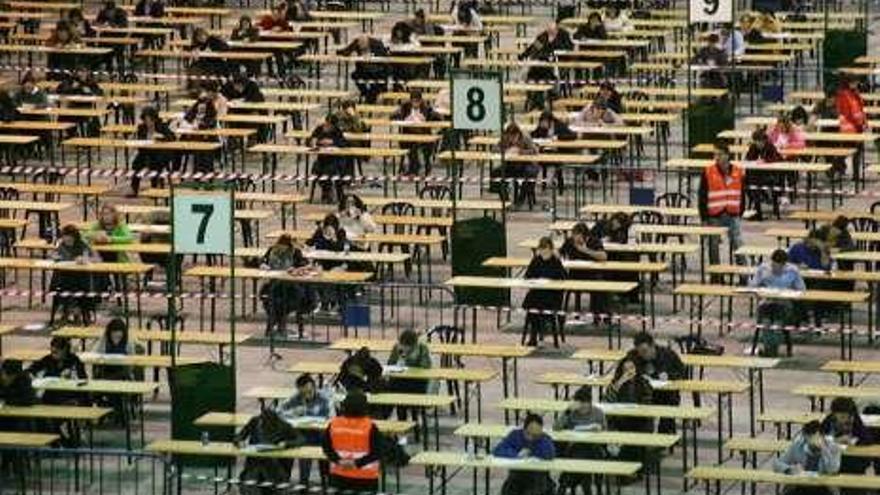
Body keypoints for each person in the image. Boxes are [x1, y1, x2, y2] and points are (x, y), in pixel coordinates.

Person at [748, 249, 806, 357]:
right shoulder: (763, 269)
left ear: (785, 264)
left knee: (777, 324)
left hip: (784, 304)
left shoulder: (793, 271)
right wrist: (761, 288)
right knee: (766, 322)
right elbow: (752, 286)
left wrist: (791, 293)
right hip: (767, 302)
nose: (777, 268)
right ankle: (769, 349)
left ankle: (772, 350)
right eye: (774, 265)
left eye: (780, 266)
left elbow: (801, 289)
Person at [322, 391, 383, 493]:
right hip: (365, 476)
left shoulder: (334, 424)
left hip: (339, 474)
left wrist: (338, 460)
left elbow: (326, 447)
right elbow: (377, 451)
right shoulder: (370, 426)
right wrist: (356, 463)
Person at [626, 332, 685, 433]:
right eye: (639, 352)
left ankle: (666, 434)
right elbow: (626, 374)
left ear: (653, 345)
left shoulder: (668, 355)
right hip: (643, 395)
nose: (642, 355)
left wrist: (669, 376)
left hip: (666, 395)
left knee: (670, 404)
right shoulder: (632, 356)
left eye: (645, 351)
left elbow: (682, 372)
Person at [235, 408, 304, 495]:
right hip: (255, 462)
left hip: (273, 465)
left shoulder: (283, 426)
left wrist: (286, 443)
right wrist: (239, 441)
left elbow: (301, 439)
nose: (262, 425)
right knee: (249, 482)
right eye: (261, 423)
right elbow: (239, 435)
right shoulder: (255, 421)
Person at [279, 374, 332, 486]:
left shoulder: (324, 398)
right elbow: (278, 412)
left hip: (320, 436)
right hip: (302, 437)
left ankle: (326, 481)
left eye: (310, 391)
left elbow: (332, 417)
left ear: (314, 387)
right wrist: (292, 413)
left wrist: (323, 421)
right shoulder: (294, 398)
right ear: (299, 390)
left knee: (325, 451)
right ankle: (303, 483)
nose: (307, 395)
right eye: (304, 393)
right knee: (299, 452)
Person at [699, 143, 744, 267]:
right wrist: (704, 218)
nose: (717, 157)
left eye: (719, 154)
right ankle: (716, 273)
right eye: (715, 155)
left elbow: (742, 193)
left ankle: (743, 273)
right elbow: (702, 196)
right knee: (713, 245)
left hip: (733, 214)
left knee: (738, 243)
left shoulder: (738, 171)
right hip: (714, 215)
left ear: (727, 155)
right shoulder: (708, 171)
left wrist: (741, 211)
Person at [554, 386, 606, 495]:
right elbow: (556, 427)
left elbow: (606, 433)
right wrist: (567, 412)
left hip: (594, 448)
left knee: (584, 454)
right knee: (580, 453)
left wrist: (599, 431)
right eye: (579, 405)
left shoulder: (598, 413)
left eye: (585, 404)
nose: (582, 408)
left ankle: (566, 483)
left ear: (590, 403)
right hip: (575, 447)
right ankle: (584, 485)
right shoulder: (572, 413)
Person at [260, 233, 314, 337]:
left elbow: (306, 265)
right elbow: (263, 260)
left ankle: (278, 325)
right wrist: (263, 265)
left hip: (291, 286)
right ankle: (278, 325)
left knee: (285, 301)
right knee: (272, 299)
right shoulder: (272, 250)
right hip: (274, 285)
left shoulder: (295, 252)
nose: (281, 250)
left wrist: (296, 269)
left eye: (284, 247)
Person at [50, 224, 102, 325]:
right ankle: (68, 310)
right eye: (64, 237)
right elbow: (54, 255)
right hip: (65, 276)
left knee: (78, 285)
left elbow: (97, 259)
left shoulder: (83, 244)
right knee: (59, 283)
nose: (66, 240)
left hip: (82, 277)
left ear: (75, 237)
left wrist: (86, 260)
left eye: (69, 238)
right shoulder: (61, 245)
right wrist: (55, 257)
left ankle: (77, 310)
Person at [604, 358, 653, 462]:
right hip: (620, 420)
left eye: (632, 368)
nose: (630, 372)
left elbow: (648, 402)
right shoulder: (616, 383)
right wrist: (619, 383)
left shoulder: (643, 383)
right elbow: (607, 401)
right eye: (626, 370)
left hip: (639, 421)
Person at [493, 414, 556, 495]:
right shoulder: (515, 435)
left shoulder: (544, 439)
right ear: (524, 429)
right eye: (528, 434)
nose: (531, 438)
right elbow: (498, 450)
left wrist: (532, 450)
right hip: (517, 475)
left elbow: (550, 454)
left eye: (535, 435)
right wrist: (516, 454)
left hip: (538, 477)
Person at [559, 222, 608, 324]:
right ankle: (561, 315)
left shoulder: (594, 241)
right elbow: (560, 253)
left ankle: (599, 314)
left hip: (591, 274)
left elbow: (603, 256)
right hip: (574, 274)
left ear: (585, 236)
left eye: (578, 235)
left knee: (600, 286)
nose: (575, 238)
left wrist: (586, 250)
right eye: (574, 235)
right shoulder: (570, 241)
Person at [774, 421, 840, 495]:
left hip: (824, 486)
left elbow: (833, 470)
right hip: (800, 485)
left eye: (816, 436)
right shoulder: (798, 446)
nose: (813, 440)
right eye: (809, 436)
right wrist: (790, 469)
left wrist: (824, 450)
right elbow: (777, 464)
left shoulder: (832, 447)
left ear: (822, 435)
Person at [522, 237, 567, 347]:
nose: (543, 251)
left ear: (551, 249)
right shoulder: (536, 260)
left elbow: (564, 278)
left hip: (552, 295)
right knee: (532, 304)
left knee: (536, 303)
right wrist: (535, 281)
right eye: (541, 249)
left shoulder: (556, 261)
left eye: (546, 249)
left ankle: (540, 329)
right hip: (538, 292)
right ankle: (533, 336)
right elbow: (527, 276)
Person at [519, 23, 573, 109]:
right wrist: (523, 55)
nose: (550, 32)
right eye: (549, 30)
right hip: (541, 65)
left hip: (558, 63)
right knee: (533, 75)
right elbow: (533, 47)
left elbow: (569, 48)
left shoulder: (563, 36)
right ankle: (535, 99)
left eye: (553, 31)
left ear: (556, 30)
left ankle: (549, 97)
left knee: (548, 77)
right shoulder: (542, 37)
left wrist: (555, 49)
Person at [822, 397, 872, 488]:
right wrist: (835, 440)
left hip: (852, 461)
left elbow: (867, 439)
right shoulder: (828, 422)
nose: (845, 420)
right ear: (834, 415)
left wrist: (854, 441)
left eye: (848, 417)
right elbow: (820, 439)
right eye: (842, 417)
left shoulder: (855, 420)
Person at [391, 91, 441, 175]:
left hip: (423, 134)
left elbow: (438, 117)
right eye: (413, 101)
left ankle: (418, 167)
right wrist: (402, 117)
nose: (415, 104)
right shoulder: (405, 107)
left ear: (421, 101)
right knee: (409, 144)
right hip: (408, 133)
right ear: (410, 100)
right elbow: (392, 116)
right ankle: (413, 168)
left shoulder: (426, 108)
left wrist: (427, 119)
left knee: (424, 145)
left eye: (417, 101)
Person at [129, 106, 175, 196]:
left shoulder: (162, 126)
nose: (148, 122)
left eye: (149, 119)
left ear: (154, 118)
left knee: (155, 164)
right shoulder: (141, 127)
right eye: (146, 119)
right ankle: (134, 189)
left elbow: (172, 137)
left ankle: (154, 188)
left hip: (160, 152)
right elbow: (140, 142)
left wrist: (161, 137)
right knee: (136, 163)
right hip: (146, 152)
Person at [386, 330, 432, 421]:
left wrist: (408, 358)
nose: (405, 347)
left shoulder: (422, 348)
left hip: (417, 383)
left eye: (407, 345)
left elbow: (425, 366)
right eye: (402, 344)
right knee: (393, 390)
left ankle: (414, 421)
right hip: (400, 381)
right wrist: (398, 358)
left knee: (407, 394)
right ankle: (400, 421)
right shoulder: (397, 347)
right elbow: (390, 363)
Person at [744, 128, 784, 220]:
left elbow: (776, 159)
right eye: (756, 141)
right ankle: (755, 209)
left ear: (764, 140)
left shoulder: (770, 147)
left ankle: (759, 210)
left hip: (770, 175)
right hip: (757, 174)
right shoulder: (753, 147)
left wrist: (765, 161)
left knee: (754, 183)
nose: (758, 144)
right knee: (745, 181)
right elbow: (748, 158)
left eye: (760, 141)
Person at [337, 35, 389, 104]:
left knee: (374, 83)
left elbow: (384, 60)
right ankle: (367, 94)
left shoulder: (376, 45)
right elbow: (346, 52)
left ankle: (369, 97)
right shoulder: (358, 42)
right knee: (356, 76)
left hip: (377, 71)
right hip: (367, 71)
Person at [310, 114, 349, 203]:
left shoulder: (337, 131)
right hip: (322, 158)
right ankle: (326, 191)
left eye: (329, 125)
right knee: (316, 169)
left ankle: (330, 192)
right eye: (326, 124)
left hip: (335, 159)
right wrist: (313, 141)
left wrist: (332, 142)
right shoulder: (320, 129)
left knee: (329, 170)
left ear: (333, 126)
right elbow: (312, 139)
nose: (327, 126)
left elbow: (343, 143)